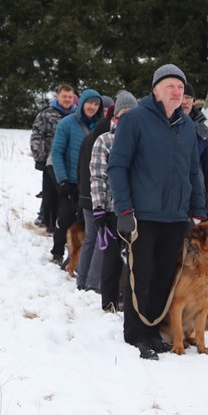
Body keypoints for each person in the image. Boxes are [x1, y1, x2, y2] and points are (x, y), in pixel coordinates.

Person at [107, 64, 206, 360]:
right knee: (142, 273)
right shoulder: (135, 119)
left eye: (180, 87)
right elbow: (118, 165)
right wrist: (124, 209)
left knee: (165, 275)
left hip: (176, 216)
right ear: (155, 90)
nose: (177, 92)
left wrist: (198, 210)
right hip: (142, 214)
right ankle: (136, 333)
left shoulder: (187, 126)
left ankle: (153, 331)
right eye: (170, 86)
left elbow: (193, 171)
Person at [90, 91, 138, 312]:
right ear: (116, 116)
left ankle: (131, 300)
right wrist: (98, 209)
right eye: (124, 114)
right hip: (111, 209)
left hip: (137, 210)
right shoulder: (105, 140)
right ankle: (108, 301)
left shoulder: (142, 140)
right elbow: (97, 176)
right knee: (112, 259)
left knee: (134, 260)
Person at [49, 89, 103, 265]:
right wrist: (63, 180)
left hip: (90, 183)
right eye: (90, 103)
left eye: (96, 104)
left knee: (85, 224)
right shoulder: (67, 123)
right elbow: (56, 152)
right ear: (81, 104)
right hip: (70, 180)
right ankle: (57, 251)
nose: (92, 107)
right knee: (65, 218)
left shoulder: (100, 125)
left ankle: (74, 257)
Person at [74, 94, 118, 290]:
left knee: (91, 238)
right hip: (99, 196)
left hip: (86, 195)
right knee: (103, 240)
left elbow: (79, 168)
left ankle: (81, 278)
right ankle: (92, 283)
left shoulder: (89, 137)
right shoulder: (107, 138)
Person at [30, 84, 76, 233]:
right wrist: (40, 157)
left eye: (70, 97)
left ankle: (64, 223)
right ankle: (48, 222)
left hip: (70, 161)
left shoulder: (76, 115)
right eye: (64, 96)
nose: (67, 99)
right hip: (50, 160)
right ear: (58, 97)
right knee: (50, 194)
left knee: (66, 194)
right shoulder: (46, 114)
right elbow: (37, 135)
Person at [182, 82, 208, 220]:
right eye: (182, 96)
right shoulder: (163, 126)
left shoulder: (204, 132)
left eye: (189, 98)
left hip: (197, 201)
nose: (185, 102)